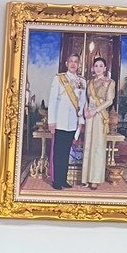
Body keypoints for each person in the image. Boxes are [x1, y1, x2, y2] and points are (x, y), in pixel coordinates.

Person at [46, 54, 85, 190]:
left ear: (78, 65)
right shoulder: (59, 79)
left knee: (67, 151)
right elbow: (52, 100)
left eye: (76, 62)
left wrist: (80, 121)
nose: (73, 64)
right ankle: (56, 180)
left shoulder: (82, 81)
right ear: (67, 63)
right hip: (60, 121)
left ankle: (63, 179)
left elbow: (81, 103)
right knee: (58, 152)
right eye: (71, 61)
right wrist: (51, 122)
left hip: (72, 122)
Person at [82, 57, 117, 189]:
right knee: (88, 145)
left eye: (101, 66)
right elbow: (86, 99)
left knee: (97, 146)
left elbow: (109, 101)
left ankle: (95, 179)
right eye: (96, 66)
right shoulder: (89, 82)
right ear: (93, 68)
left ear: (105, 68)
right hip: (89, 116)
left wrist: (95, 111)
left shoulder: (110, 82)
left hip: (100, 115)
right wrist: (86, 111)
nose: (98, 68)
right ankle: (86, 177)